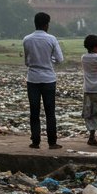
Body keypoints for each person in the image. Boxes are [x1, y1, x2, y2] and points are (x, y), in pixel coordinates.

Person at [23, 12, 63, 149]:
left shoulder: (27, 39)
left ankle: (35, 140)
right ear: (46, 25)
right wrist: (48, 60)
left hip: (33, 78)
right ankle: (52, 142)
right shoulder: (51, 39)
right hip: (48, 78)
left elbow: (27, 61)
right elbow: (59, 59)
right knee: (49, 112)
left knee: (34, 111)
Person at [81, 35, 97, 146]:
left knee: (89, 113)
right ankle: (94, 136)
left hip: (87, 89)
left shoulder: (84, 57)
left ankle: (91, 136)